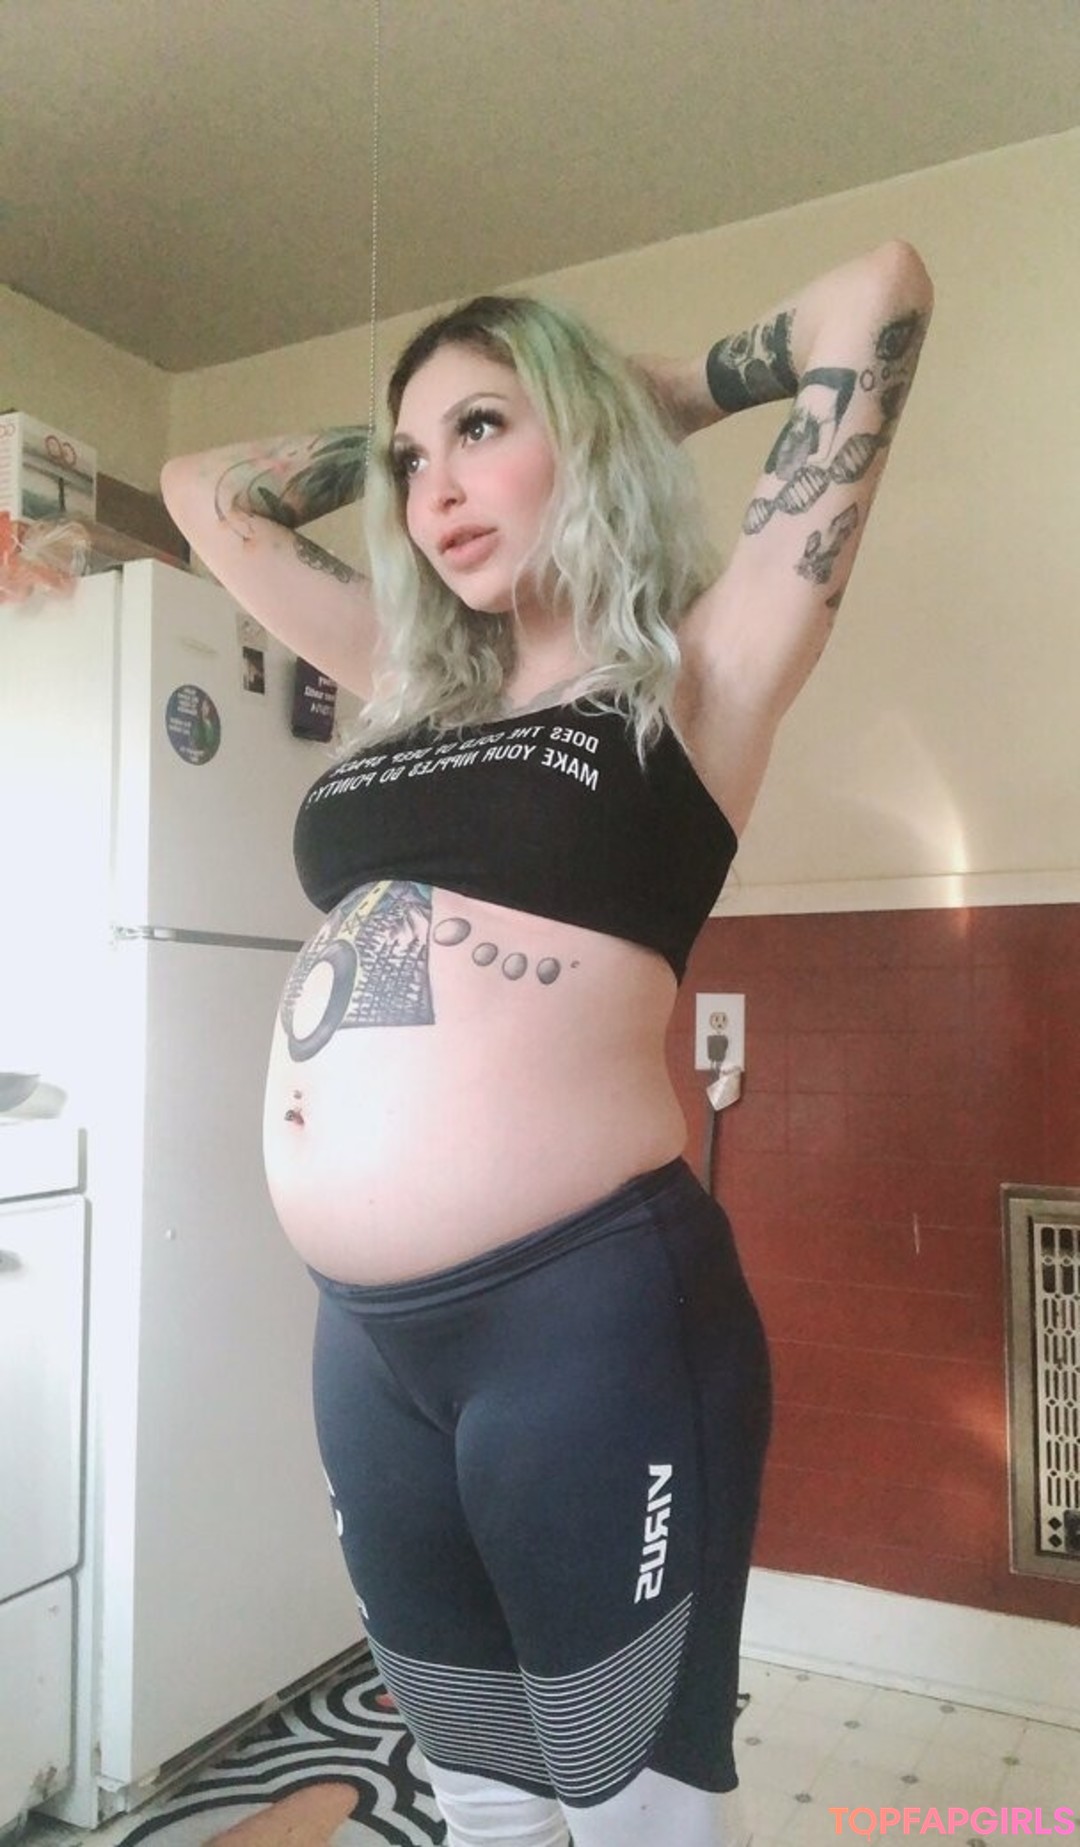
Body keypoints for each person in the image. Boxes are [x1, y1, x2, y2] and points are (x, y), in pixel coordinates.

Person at [161, 239, 933, 1847]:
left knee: (633, 1801)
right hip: (368, 1340)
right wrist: (454, 425)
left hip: (586, 1321)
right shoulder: (407, 686)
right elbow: (200, 491)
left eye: (483, 428)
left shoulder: (701, 673)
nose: (434, 487)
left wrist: (642, 394)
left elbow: (878, 293)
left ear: (581, 438)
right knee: (479, 1787)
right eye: (409, 459)